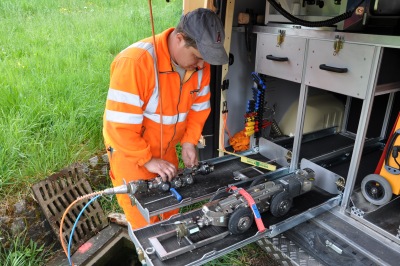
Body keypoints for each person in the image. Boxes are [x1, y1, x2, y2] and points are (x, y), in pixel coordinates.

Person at [103, 8, 229, 229]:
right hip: (132, 159)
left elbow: (199, 108)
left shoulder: (200, 66)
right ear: (179, 39)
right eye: (198, 57)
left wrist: (189, 141)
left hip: (167, 155)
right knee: (145, 227)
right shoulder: (135, 63)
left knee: (172, 216)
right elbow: (119, 127)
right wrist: (148, 160)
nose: (201, 66)